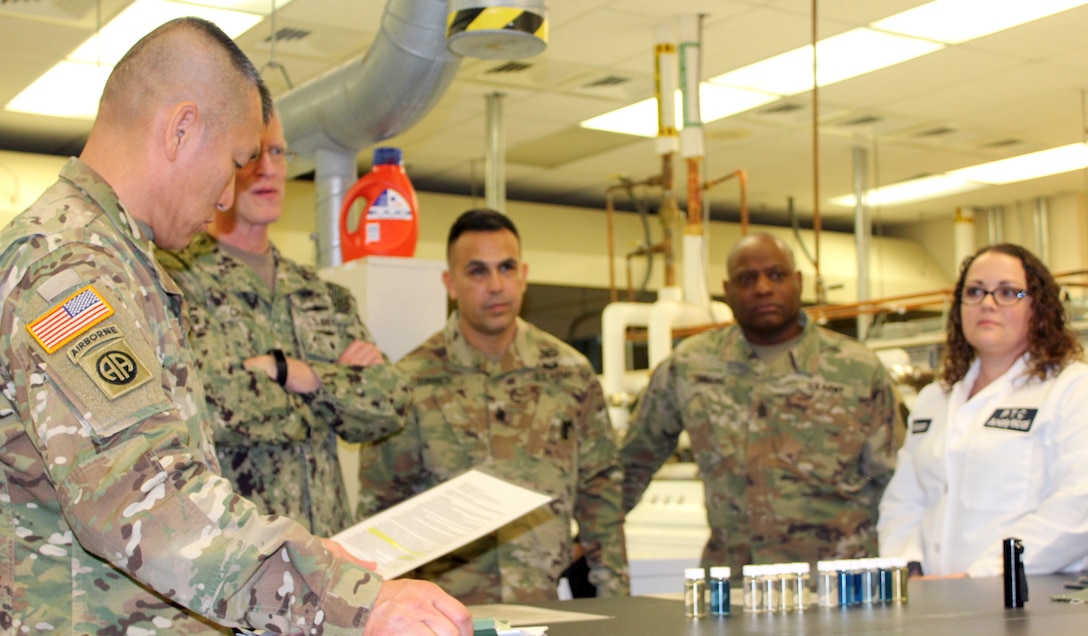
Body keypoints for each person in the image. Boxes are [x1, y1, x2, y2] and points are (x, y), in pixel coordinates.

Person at [0, 18, 470, 635]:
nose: (228, 197)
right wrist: (350, 599)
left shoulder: (118, 260)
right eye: (235, 162)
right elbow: (144, 498)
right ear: (181, 127)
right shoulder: (70, 265)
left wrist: (319, 563)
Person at [357, 208, 630, 603]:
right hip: (444, 613)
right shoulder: (410, 382)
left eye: (506, 267)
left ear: (524, 274)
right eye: (478, 272)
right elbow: (379, 515)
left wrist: (618, 609)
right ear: (450, 283)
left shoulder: (570, 375)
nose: (497, 285)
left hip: (542, 608)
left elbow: (601, 500)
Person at [157, 109, 406, 538]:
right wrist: (335, 394)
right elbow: (207, 407)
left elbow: (389, 403)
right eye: (254, 155)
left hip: (328, 560)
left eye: (278, 152)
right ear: (225, 162)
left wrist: (297, 375)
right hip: (236, 562)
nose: (269, 169)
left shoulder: (322, 294)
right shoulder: (175, 280)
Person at [621, 232, 900, 576]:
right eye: (747, 279)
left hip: (835, 584)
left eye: (776, 275)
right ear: (727, 290)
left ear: (798, 282)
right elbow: (631, 465)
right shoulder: (691, 366)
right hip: (734, 585)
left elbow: (897, 482)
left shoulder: (856, 368)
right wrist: (590, 540)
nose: (763, 288)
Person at [878, 243, 1088, 578]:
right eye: (974, 292)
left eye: (1008, 292)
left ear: (1039, 307)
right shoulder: (935, 398)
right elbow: (903, 499)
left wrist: (981, 576)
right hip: (932, 599)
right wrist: (909, 567)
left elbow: (1080, 505)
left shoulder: (1071, 389)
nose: (987, 303)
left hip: (1032, 598)